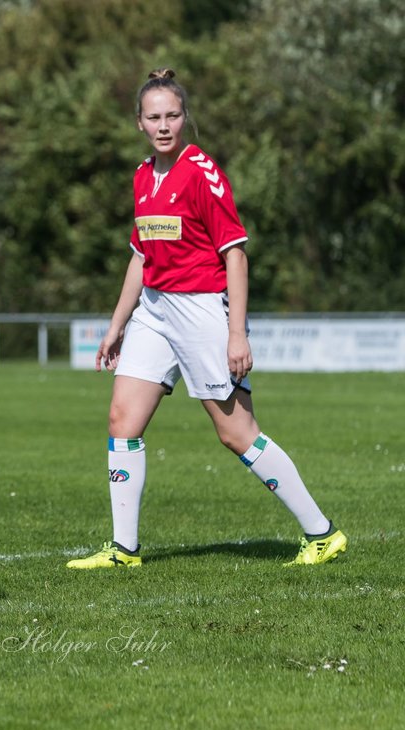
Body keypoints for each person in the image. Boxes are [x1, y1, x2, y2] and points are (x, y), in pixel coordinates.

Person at [67, 68, 346, 570]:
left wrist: (237, 334)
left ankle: (322, 533)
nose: (164, 125)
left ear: (184, 118)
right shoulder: (141, 175)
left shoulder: (201, 172)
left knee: (236, 433)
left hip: (200, 310)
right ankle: (123, 550)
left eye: (173, 115)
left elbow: (235, 255)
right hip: (154, 309)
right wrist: (117, 326)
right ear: (139, 123)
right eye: (154, 117)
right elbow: (139, 256)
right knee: (121, 421)